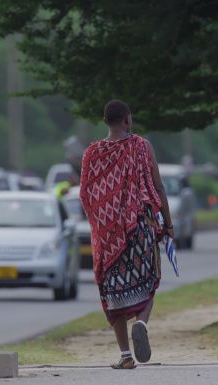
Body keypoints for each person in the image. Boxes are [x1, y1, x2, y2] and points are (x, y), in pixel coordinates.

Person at [79, 100, 174, 369]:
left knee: (114, 293)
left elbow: (86, 194)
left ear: (106, 121)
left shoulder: (92, 153)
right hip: (141, 227)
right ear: (127, 121)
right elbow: (159, 186)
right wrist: (168, 224)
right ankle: (141, 322)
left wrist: (103, 221)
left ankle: (125, 356)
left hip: (108, 235)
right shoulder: (142, 146)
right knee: (149, 280)